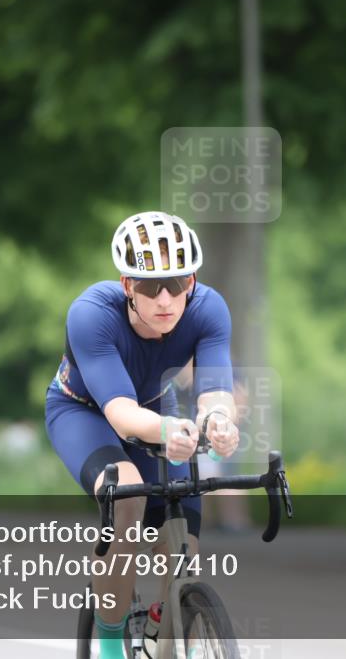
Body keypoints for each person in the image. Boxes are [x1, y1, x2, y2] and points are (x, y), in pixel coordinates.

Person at [44, 211, 240, 659]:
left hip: (154, 410)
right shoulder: (91, 314)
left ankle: (165, 634)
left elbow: (215, 391)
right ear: (127, 284)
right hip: (84, 411)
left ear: (193, 281)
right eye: (151, 287)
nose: (167, 298)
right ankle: (111, 643)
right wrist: (170, 429)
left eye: (179, 283)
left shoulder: (208, 308)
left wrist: (219, 423)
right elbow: (120, 413)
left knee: (183, 533)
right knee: (129, 495)